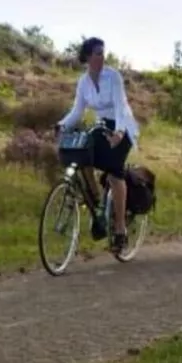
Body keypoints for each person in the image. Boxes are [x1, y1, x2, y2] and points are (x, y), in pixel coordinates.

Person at [55, 36, 141, 252]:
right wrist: (61, 125)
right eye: (97, 53)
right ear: (87, 57)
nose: (102, 57)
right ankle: (98, 205)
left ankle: (120, 229)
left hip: (122, 126)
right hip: (102, 126)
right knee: (82, 156)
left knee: (115, 173)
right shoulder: (83, 82)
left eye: (103, 53)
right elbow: (77, 111)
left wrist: (120, 132)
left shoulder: (113, 77)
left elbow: (121, 106)